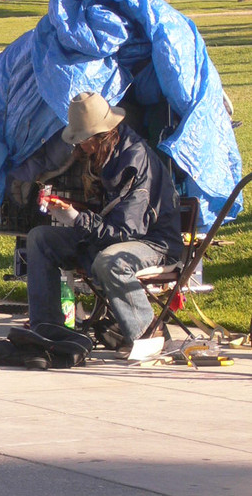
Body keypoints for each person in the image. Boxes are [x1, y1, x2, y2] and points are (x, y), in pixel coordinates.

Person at [25, 91, 183, 355]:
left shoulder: (133, 161)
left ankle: (149, 335)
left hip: (153, 243)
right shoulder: (108, 155)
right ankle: (47, 329)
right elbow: (107, 218)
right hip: (115, 236)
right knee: (40, 238)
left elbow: (125, 232)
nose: (79, 148)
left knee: (110, 261)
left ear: (100, 137)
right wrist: (72, 210)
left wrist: (76, 218)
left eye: (82, 141)